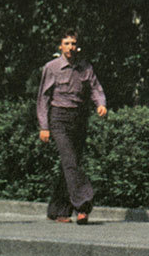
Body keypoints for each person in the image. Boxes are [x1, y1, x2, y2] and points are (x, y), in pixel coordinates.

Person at [37, 30, 107, 224]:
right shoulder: (52, 67)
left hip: (79, 118)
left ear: (78, 46)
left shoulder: (85, 67)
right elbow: (43, 98)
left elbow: (95, 88)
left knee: (70, 164)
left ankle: (58, 210)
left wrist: (101, 104)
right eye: (66, 43)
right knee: (70, 161)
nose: (70, 47)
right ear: (60, 46)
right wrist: (44, 126)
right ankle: (83, 206)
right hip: (59, 118)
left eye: (73, 43)